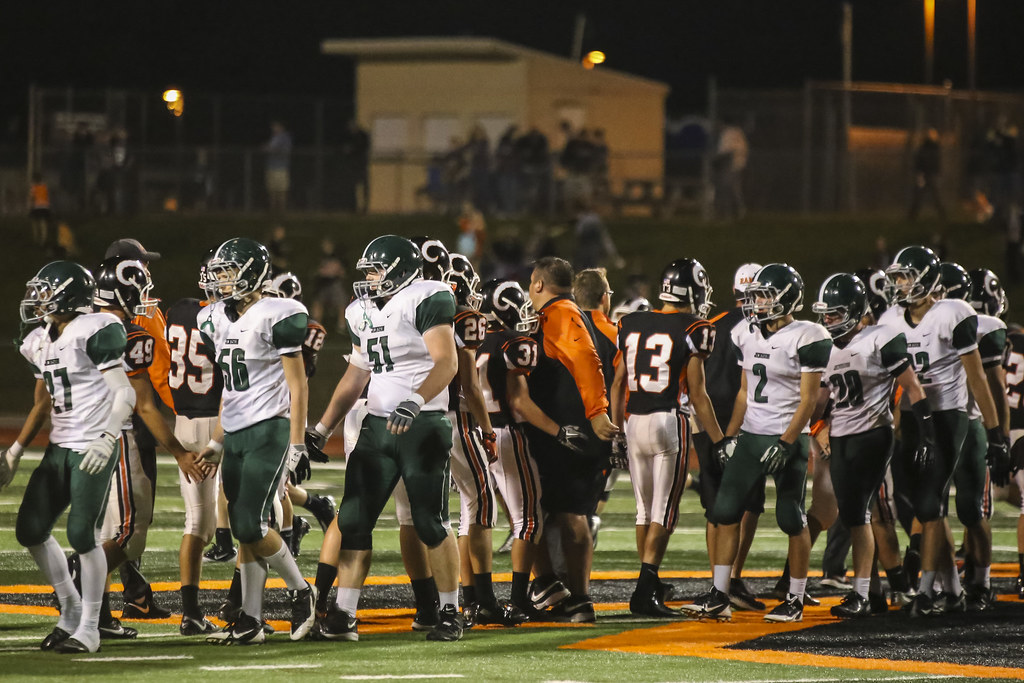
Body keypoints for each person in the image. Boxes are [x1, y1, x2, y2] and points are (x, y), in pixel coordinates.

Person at [307, 235, 464, 642]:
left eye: (377, 271)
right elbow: (356, 375)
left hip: (422, 425)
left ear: (401, 270)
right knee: (354, 519)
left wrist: (415, 400)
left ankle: (450, 611)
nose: (371, 279)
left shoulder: (426, 297)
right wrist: (322, 428)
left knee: (430, 522)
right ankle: (344, 613)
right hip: (376, 426)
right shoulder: (360, 310)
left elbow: (447, 362)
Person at [684, 263, 831, 623]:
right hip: (751, 435)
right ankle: (719, 595)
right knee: (724, 511)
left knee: (791, 518)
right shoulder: (745, 333)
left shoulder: (808, 335)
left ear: (788, 298)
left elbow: (808, 400)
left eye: (765, 296)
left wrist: (787, 442)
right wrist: (729, 437)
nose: (759, 303)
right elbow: (744, 393)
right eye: (757, 296)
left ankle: (795, 598)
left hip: (787, 437)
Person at [3, 261, 136, 653]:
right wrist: (14, 452)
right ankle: (71, 609)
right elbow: (42, 403)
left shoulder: (94, 329)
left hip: (92, 445)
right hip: (60, 444)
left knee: (82, 535)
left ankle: (91, 628)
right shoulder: (39, 339)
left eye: (45, 291)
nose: (37, 299)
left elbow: (125, 393)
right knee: (30, 529)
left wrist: (108, 436)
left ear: (68, 295)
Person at [196, 237, 317, 644]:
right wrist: (217, 440)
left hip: (269, 429)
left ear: (252, 272)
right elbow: (231, 389)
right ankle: (250, 619)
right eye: (220, 273)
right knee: (244, 527)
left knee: (250, 523)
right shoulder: (214, 317)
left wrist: (297, 442)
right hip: (236, 432)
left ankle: (302, 591)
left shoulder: (277, 313)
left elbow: (297, 384)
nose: (222, 280)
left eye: (229, 272)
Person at [880, 246, 1009, 616]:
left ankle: (970, 584)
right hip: (913, 418)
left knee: (960, 506)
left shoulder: (955, 314)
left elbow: (981, 380)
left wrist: (997, 433)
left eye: (906, 277)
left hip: (954, 417)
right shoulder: (891, 318)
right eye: (897, 277)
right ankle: (950, 588)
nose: (899, 284)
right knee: (921, 504)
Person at [90, 258, 206, 635]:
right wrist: (179, 451)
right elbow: (143, 405)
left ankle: (96, 616)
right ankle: (75, 579)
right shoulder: (130, 335)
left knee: (101, 530)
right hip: (116, 437)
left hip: (76, 439)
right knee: (130, 535)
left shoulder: (75, 328)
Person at [610, 258, 724, 618]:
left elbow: (617, 383)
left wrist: (616, 430)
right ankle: (645, 591)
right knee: (664, 512)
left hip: (633, 421)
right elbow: (699, 394)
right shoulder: (694, 327)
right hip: (667, 420)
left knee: (644, 510)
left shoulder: (631, 322)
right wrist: (720, 440)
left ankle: (649, 583)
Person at [811, 273, 929, 618]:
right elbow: (819, 402)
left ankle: (863, 593)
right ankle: (873, 592)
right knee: (852, 515)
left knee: (862, 513)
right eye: (826, 314)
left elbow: (912, 387)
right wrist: (813, 427)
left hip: (873, 435)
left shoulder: (880, 338)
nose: (828, 320)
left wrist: (926, 432)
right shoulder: (825, 348)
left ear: (853, 310)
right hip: (841, 437)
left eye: (835, 314)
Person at [523, 257, 618, 623]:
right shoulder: (563, 313)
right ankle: (550, 585)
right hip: (563, 431)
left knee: (570, 514)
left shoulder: (562, 313)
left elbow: (586, 359)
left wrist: (597, 413)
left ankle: (578, 597)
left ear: (538, 284)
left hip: (570, 433)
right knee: (538, 512)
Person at [477, 279, 560, 618]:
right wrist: (559, 431)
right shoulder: (512, 343)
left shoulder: (471, 340)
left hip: (475, 433)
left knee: (474, 519)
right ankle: (519, 598)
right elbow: (520, 402)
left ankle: (475, 599)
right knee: (528, 519)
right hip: (505, 434)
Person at [102, 238, 174, 619]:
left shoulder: (88, 317)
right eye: (140, 266)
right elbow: (157, 375)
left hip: (86, 431)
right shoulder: (135, 319)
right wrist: (180, 417)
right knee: (132, 522)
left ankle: (123, 598)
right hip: (128, 426)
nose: (147, 272)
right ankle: (82, 581)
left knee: (110, 521)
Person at [692, 263, 765, 613]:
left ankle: (717, 583)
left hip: (707, 421)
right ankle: (732, 578)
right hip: (744, 422)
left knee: (715, 508)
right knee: (748, 504)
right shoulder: (759, 327)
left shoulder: (711, 324)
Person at [937, 263, 1009, 610]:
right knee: (930, 510)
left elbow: (995, 386)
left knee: (971, 509)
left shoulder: (984, 328)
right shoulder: (918, 323)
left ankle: (981, 582)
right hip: (935, 424)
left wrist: (1000, 437)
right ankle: (945, 584)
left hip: (971, 422)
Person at [164, 250, 225, 634]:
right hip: (215, 422)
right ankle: (235, 607)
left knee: (200, 523)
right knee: (233, 520)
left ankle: (195, 612)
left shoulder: (178, 310)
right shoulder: (223, 319)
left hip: (182, 421)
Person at [714, 118, 748, 221]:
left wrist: (715, 159)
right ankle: (740, 210)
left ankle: (726, 212)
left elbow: (725, 151)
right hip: (739, 164)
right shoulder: (738, 131)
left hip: (729, 164)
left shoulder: (727, 133)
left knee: (726, 188)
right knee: (735, 188)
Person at [908, 128, 945, 221]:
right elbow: (920, 162)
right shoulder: (928, 148)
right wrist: (920, 173)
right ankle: (912, 216)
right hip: (926, 175)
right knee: (922, 196)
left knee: (934, 197)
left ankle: (942, 215)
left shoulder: (932, 148)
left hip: (929, 174)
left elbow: (934, 162)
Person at [264, 121, 292, 212]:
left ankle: (282, 210)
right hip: (271, 167)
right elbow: (268, 148)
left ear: (281, 127)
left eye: (276, 126)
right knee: (272, 190)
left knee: (281, 190)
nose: (274, 129)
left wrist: (271, 149)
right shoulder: (274, 138)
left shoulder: (285, 137)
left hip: (281, 168)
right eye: (273, 127)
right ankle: (273, 210)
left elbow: (278, 149)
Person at [28, 172, 52, 250]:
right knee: (43, 224)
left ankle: (36, 239)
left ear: (34, 179)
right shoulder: (45, 186)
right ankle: (43, 240)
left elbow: (31, 197)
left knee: (35, 224)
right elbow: (48, 196)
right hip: (45, 207)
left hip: (37, 207)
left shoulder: (33, 186)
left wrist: (30, 207)